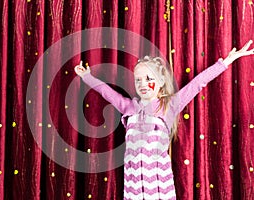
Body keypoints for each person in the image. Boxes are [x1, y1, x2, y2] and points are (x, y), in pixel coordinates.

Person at [74, 40, 254, 200]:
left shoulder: (169, 105)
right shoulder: (129, 106)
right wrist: (86, 76)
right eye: (138, 80)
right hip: (133, 182)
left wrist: (225, 62)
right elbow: (106, 92)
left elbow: (198, 83)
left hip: (159, 184)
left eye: (148, 79)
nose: (143, 84)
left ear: (160, 82)